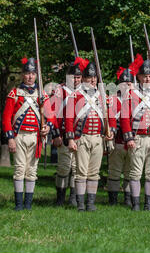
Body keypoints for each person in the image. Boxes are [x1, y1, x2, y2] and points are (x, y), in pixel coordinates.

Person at [2, 57, 55, 211]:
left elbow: (51, 115)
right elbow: (6, 118)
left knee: (32, 171)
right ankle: (19, 204)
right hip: (19, 136)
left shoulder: (42, 94)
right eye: (27, 73)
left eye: (33, 73)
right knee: (19, 169)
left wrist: (48, 127)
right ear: (22, 75)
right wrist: (10, 138)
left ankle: (28, 205)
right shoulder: (14, 93)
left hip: (36, 137)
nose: (30, 76)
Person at [65, 57, 113, 212]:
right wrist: (71, 139)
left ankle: (90, 203)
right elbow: (69, 118)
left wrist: (109, 130)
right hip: (82, 138)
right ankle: (80, 204)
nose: (92, 80)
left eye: (94, 77)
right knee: (81, 172)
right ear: (83, 79)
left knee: (94, 173)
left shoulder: (102, 96)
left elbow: (107, 116)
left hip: (98, 138)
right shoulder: (75, 95)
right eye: (89, 77)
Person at [120, 54, 150, 211]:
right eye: (144, 76)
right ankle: (135, 203)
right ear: (138, 77)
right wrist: (129, 138)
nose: (147, 79)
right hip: (138, 138)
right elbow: (125, 117)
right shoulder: (131, 94)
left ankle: (148, 204)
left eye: (149, 76)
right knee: (135, 173)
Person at [50, 61, 82, 207]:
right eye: (72, 77)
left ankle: (73, 198)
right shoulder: (59, 90)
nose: (75, 80)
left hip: (80, 135)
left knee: (77, 168)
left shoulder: (85, 91)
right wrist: (55, 134)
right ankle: (60, 197)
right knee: (64, 167)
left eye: (78, 77)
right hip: (63, 135)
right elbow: (52, 113)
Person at [106, 66, 134, 206]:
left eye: (129, 83)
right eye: (124, 83)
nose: (126, 86)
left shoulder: (137, 99)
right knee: (115, 172)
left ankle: (128, 199)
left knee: (130, 171)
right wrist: (110, 134)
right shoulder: (113, 99)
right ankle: (113, 199)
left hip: (132, 141)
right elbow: (111, 117)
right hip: (117, 140)